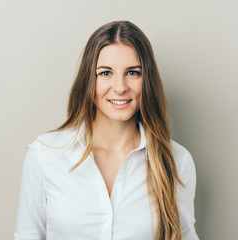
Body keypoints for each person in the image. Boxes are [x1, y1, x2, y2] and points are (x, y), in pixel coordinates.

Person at [14, 21, 199, 240]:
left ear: (147, 80)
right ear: (88, 81)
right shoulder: (45, 155)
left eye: (132, 72)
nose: (120, 87)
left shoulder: (176, 161)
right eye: (105, 73)